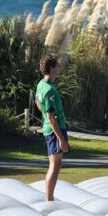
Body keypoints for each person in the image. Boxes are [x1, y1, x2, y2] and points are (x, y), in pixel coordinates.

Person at [35, 53, 68, 202]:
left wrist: (46, 115)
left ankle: (50, 198)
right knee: (54, 166)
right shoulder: (49, 90)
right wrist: (61, 139)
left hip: (50, 128)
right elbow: (50, 116)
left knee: (55, 164)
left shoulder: (41, 84)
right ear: (52, 68)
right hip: (55, 130)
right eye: (57, 65)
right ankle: (49, 199)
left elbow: (37, 102)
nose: (59, 68)